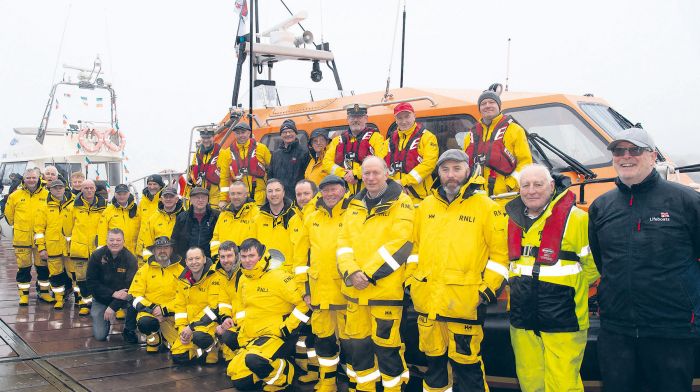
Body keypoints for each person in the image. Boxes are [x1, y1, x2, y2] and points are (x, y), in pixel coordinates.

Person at [588, 127, 700, 392]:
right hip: (617, 331)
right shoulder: (601, 206)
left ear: (652, 156)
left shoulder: (686, 201)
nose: (626, 156)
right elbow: (602, 260)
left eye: (635, 150)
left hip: (670, 329)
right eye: (619, 150)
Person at [407, 149, 508, 391]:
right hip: (428, 302)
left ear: (468, 170)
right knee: (433, 368)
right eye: (445, 169)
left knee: (467, 368)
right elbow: (415, 248)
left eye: (456, 169)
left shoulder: (487, 206)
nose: (450, 175)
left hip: (465, 303)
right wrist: (411, 281)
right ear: (438, 172)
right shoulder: (426, 206)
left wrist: (486, 291)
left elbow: (501, 256)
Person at [505, 164, 599, 392]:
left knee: (563, 384)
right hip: (523, 319)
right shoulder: (511, 220)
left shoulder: (578, 219)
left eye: (538, 184)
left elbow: (594, 266)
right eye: (525, 185)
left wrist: (567, 291)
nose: (531, 190)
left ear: (551, 186)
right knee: (530, 382)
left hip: (563, 317)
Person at [336, 156, 415, 391]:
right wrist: (351, 272)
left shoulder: (402, 203)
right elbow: (343, 243)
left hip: (385, 291)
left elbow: (401, 243)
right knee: (358, 349)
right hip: (354, 291)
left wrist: (366, 274)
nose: (370, 178)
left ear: (386, 173)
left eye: (375, 173)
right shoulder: (354, 205)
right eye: (366, 173)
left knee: (388, 349)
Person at [226, 238, 311, 390]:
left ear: (261, 256)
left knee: (253, 361)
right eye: (244, 257)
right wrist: (241, 328)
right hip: (251, 336)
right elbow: (241, 307)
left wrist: (287, 328)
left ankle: (284, 375)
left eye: (251, 256)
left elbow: (305, 304)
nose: (247, 260)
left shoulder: (279, 277)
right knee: (238, 379)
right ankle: (266, 371)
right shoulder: (244, 279)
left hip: (276, 335)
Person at [294, 174, 353, 391]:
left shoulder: (354, 213)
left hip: (347, 292)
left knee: (353, 344)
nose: (329, 194)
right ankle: (327, 382)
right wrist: (304, 290)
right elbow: (300, 258)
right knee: (324, 342)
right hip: (319, 292)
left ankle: (356, 384)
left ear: (344, 189)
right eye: (325, 190)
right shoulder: (312, 217)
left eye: (334, 189)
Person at [463, 90, 532, 199]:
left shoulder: (515, 130)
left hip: (505, 197)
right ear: (479, 109)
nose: (487, 106)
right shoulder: (470, 135)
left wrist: (511, 184)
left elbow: (525, 163)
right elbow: (464, 164)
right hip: (477, 198)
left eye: (491, 102)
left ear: (499, 106)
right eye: (483, 104)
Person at [129, 236, 184, 353]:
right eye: (159, 248)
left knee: (180, 350)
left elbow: (185, 297)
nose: (162, 251)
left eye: (166, 248)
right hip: (150, 313)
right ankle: (153, 340)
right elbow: (135, 296)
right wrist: (153, 308)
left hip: (171, 315)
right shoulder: (144, 270)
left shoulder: (181, 270)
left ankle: (165, 337)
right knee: (145, 323)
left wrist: (164, 310)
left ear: (171, 250)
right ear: (153, 251)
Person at [5, 168, 50, 305]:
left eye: (34, 177)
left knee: (43, 268)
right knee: (23, 269)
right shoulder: (15, 196)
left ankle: (44, 293)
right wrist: (19, 226)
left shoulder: (47, 194)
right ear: (24, 179)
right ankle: (23, 296)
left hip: (40, 239)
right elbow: (8, 216)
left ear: (39, 178)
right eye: (28, 177)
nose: (31, 180)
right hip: (22, 238)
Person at [85, 228, 138, 343]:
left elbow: (130, 287)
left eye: (118, 240)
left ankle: (129, 329)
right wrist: (112, 294)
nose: (115, 243)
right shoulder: (96, 256)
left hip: (124, 299)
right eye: (112, 240)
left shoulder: (131, 259)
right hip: (101, 298)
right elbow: (91, 282)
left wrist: (113, 307)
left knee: (133, 302)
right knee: (100, 336)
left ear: (124, 241)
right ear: (106, 240)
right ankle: (100, 317)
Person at [323, 104, 387, 195]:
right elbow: (326, 163)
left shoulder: (376, 138)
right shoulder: (337, 140)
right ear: (348, 119)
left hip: (368, 193)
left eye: (359, 117)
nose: (356, 120)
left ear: (366, 118)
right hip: (343, 194)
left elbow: (380, 160)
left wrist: (356, 174)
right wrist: (344, 174)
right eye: (352, 117)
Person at [171, 247, 221, 365]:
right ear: (186, 262)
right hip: (189, 326)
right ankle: (200, 350)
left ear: (204, 259)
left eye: (197, 258)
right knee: (178, 356)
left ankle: (213, 347)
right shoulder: (182, 281)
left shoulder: (214, 277)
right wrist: (182, 329)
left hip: (208, 325)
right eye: (191, 259)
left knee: (199, 336)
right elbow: (180, 308)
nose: (194, 262)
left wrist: (191, 327)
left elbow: (214, 309)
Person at [65, 179, 107, 315]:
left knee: (99, 277)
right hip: (80, 248)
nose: (89, 191)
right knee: (81, 278)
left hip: (98, 249)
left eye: (91, 188)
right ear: (81, 190)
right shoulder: (73, 207)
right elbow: (66, 229)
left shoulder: (105, 206)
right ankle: (85, 302)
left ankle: (99, 303)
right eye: (86, 188)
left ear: (95, 189)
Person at [385, 102, 439, 205]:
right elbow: (381, 164)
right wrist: (393, 185)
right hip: (395, 197)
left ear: (414, 116)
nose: (404, 121)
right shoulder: (389, 141)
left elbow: (428, 165)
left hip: (420, 199)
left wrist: (403, 182)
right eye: (400, 118)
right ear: (395, 120)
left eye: (407, 116)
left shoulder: (427, 137)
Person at [34, 179, 75, 309]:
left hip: (70, 248)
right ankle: (59, 299)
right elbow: (39, 230)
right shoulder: (44, 207)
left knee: (74, 274)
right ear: (50, 190)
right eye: (55, 188)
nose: (58, 190)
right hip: (52, 248)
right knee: (55, 275)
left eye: (60, 187)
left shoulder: (73, 205)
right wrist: (41, 248)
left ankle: (81, 299)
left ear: (65, 189)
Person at [218, 122, 271, 206]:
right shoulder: (226, 153)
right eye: (238, 133)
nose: (241, 135)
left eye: (243, 132)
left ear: (249, 133)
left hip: (259, 198)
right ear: (234, 134)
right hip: (238, 198)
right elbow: (224, 178)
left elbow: (272, 170)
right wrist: (223, 199)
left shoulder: (262, 148)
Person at [253, 179, 299, 271]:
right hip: (264, 271)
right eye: (270, 191)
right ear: (266, 194)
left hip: (288, 273)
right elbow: (253, 246)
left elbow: (299, 249)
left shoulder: (295, 216)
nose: (274, 194)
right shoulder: (257, 218)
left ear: (283, 193)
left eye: (277, 190)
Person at [209, 241, 243, 362]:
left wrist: (231, 322)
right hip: (233, 324)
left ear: (237, 256)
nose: (225, 260)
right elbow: (224, 302)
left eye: (229, 256)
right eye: (222, 257)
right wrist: (225, 318)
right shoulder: (223, 274)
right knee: (230, 363)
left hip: (246, 326)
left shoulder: (244, 273)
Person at [210, 181, 258, 259]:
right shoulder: (223, 214)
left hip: (247, 262)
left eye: (239, 193)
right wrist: (217, 256)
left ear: (246, 194)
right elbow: (216, 238)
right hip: (225, 262)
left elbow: (260, 240)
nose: (235, 197)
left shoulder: (256, 213)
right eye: (233, 194)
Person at [171, 187, 219, 260]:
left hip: (210, 260)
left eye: (203, 197)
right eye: (197, 197)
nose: (200, 200)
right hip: (187, 261)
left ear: (208, 199)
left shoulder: (217, 216)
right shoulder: (182, 217)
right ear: (191, 199)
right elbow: (175, 240)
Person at [268, 119, 310, 201]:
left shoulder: (304, 152)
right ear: (281, 135)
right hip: (279, 198)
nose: (288, 134)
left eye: (290, 131)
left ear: (295, 133)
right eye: (284, 132)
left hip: (297, 197)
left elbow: (307, 177)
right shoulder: (276, 154)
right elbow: (270, 176)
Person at [138, 186, 184, 260]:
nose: (168, 199)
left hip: (179, 261)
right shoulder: (153, 219)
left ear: (176, 199)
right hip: (158, 261)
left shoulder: (184, 217)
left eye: (171, 197)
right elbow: (147, 243)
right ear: (161, 199)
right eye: (166, 197)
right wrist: (150, 261)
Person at [98, 184, 141, 255]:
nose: (122, 196)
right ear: (115, 194)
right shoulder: (107, 211)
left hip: (133, 253)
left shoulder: (136, 210)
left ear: (129, 194)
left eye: (124, 194)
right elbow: (102, 233)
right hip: (114, 253)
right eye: (119, 194)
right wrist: (102, 253)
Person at [188, 128, 223, 208]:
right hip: (199, 197)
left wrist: (223, 199)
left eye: (208, 138)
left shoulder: (221, 153)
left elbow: (225, 176)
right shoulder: (197, 153)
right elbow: (193, 171)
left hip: (215, 197)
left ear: (213, 137)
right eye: (203, 138)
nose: (206, 140)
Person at [136, 174, 165, 261]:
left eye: (155, 184)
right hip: (142, 247)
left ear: (160, 186)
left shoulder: (165, 201)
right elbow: (138, 224)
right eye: (150, 184)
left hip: (159, 246)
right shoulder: (142, 202)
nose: (152, 187)